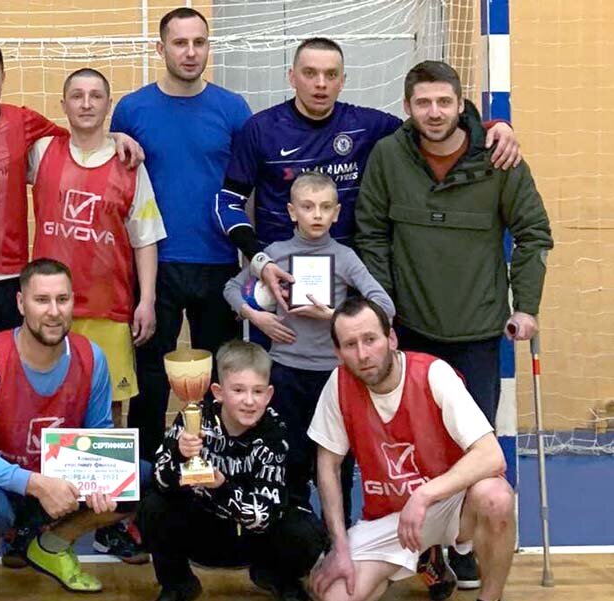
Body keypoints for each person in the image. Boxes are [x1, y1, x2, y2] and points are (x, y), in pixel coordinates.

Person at [355, 61, 552, 594]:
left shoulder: (499, 157)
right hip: (409, 334)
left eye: (444, 102)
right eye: (423, 103)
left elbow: (533, 233)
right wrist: (383, 312)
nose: (435, 112)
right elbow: (370, 233)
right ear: (408, 107)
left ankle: (466, 550)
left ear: (462, 104)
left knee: (473, 453)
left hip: (476, 335)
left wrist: (526, 306)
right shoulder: (388, 156)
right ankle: (425, 549)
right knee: (410, 450)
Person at [0, 41, 141, 447]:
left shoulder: (24, 123)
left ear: (3, 80)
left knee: (12, 378)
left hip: (9, 277)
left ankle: (10, 458)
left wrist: (117, 136)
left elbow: (81, 139)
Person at [215, 37, 521, 260]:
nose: (321, 83)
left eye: (331, 74)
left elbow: (430, 127)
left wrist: (491, 126)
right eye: (310, 73)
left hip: (350, 274)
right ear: (292, 77)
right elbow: (227, 203)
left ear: (343, 81)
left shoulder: (368, 126)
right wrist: (258, 257)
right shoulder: (260, 129)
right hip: (280, 272)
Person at [0, 258, 147, 601]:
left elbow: (98, 436)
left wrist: (102, 481)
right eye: (41, 300)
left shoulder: (92, 357)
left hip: (60, 481)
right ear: (21, 303)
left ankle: (52, 546)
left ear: (72, 302)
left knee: (139, 479)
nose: (54, 312)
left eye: (62, 299)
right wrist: (37, 484)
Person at [28, 67, 165, 563]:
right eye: (77, 95)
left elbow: (144, 237)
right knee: (44, 413)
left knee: (110, 420)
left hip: (109, 309)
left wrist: (146, 299)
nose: (86, 104)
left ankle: (108, 525)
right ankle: (36, 523)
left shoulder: (130, 164)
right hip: (49, 310)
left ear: (108, 105)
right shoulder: (41, 151)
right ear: (63, 104)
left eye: (96, 96)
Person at [110, 7, 253, 462]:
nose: (190, 52)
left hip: (219, 264)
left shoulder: (233, 109)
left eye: (199, 42)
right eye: (180, 43)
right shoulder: (132, 110)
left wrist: (252, 261)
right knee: (150, 379)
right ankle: (148, 477)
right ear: (161, 48)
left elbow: (247, 190)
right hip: (155, 266)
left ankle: (217, 469)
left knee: (219, 379)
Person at [308, 298, 516, 601]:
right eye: (350, 345)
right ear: (338, 353)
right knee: (333, 594)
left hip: (449, 506)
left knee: (496, 497)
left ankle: (490, 598)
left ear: (391, 338)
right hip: (389, 517)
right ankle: (423, 559)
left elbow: (491, 455)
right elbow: (328, 467)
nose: (363, 354)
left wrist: (424, 495)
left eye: (370, 339)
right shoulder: (338, 385)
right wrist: (339, 547)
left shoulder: (433, 374)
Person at [223, 172, 394, 524]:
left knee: (337, 462)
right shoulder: (275, 254)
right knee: (290, 459)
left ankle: (337, 537)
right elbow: (231, 288)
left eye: (325, 207)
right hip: (285, 373)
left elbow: (385, 307)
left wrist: (334, 318)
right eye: (308, 206)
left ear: (337, 213)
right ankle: (294, 535)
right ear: (291, 211)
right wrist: (257, 317)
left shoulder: (345, 257)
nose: (317, 215)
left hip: (334, 376)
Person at [137, 340, 326, 601]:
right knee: (152, 506)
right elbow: (159, 480)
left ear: (269, 394)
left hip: (255, 539)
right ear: (218, 392)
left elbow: (264, 516)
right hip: (203, 532)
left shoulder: (274, 431)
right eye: (238, 390)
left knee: (306, 532)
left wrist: (221, 488)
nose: (249, 401)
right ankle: (178, 584)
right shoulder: (193, 417)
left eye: (257, 391)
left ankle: (277, 577)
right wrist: (178, 455)